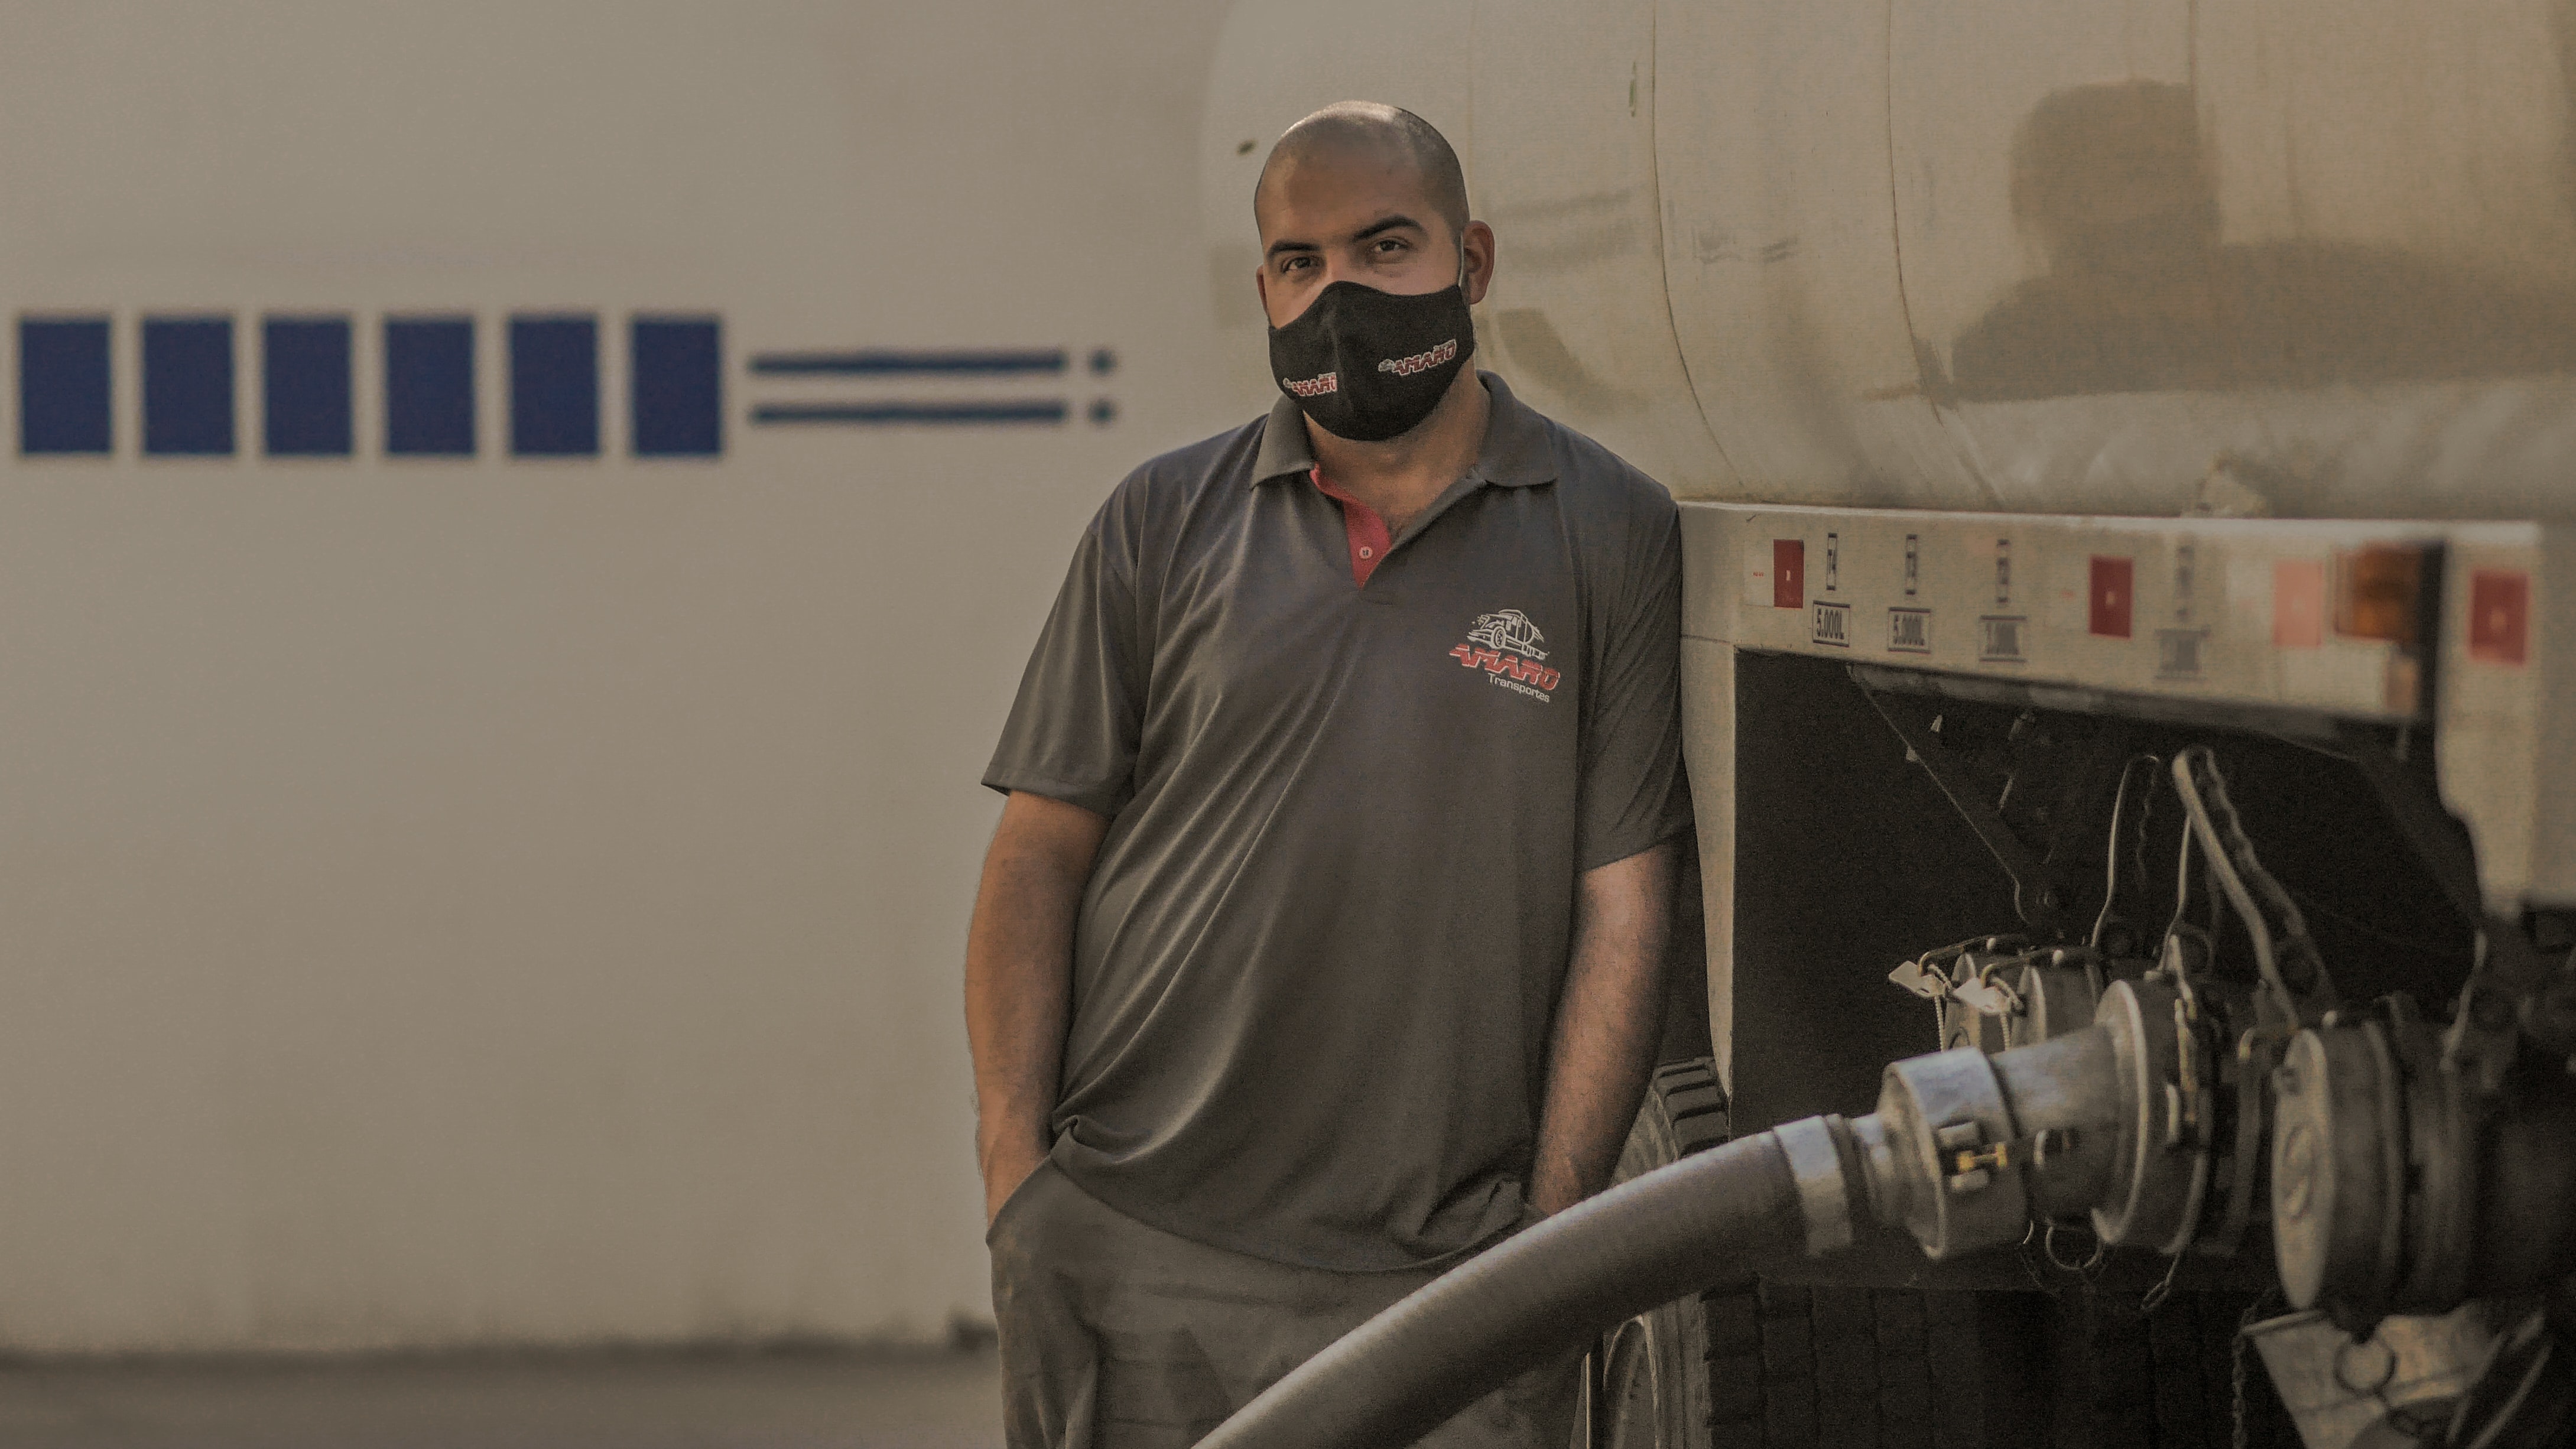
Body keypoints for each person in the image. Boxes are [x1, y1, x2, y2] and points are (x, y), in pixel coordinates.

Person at [965, 100, 1690, 1448]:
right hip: (1135, 1240)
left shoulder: (1607, 528)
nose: (1336, 295)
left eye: (1383, 247)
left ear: (1470, 262)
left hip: (1442, 1279)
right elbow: (1036, 854)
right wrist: (1018, 1178)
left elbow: (1624, 907)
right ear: (1260, 286)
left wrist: (1546, 1243)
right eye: (1297, 263)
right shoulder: (1159, 520)